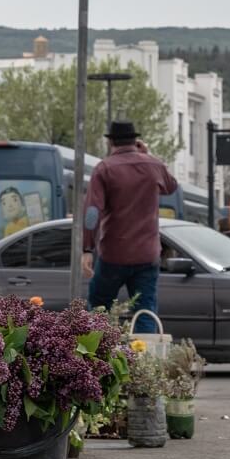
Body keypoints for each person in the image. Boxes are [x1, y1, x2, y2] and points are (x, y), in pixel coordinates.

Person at [80, 119, 178, 334]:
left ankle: (99, 359)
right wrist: (148, 155)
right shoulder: (153, 165)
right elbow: (171, 186)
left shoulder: (104, 168)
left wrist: (87, 249)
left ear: (110, 142)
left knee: (99, 308)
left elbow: (92, 212)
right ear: (136, 140)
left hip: (113, 254)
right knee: (145, 311)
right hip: (147, 254)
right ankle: (145, 360)